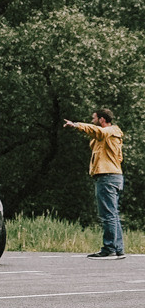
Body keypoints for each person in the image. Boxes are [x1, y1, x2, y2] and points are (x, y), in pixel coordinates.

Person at [64, 108, 126, 258]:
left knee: (108, 215)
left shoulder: (109, 131)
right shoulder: (111, 135)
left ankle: (109, 248)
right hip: (114, 176)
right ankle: (118, 249)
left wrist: (76, 125)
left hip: (107, 176)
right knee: (113, 214)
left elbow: (97, 131)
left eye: (94, 118)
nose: (93, 121)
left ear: (102, 120)